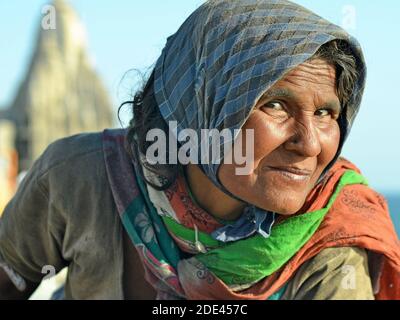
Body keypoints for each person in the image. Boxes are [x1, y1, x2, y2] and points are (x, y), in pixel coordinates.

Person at [1, 0, 399, 300]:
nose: (311, 144)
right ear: (198, 106)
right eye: (275, 104)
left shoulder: (334, 241)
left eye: (326, 112)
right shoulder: (80, 178)